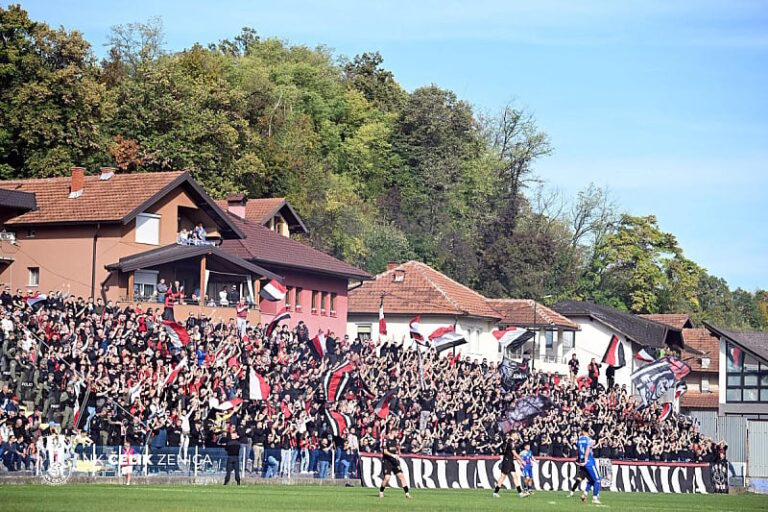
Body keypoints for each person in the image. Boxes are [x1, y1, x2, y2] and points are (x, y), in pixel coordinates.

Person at [492, 431, 529, 498]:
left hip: (509, 461)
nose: (517, 436)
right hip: (507, 461)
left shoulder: (509, 441)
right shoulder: (511, 442)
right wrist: (522, 460)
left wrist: (519, 461)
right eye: (516, 434)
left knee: (515, 476)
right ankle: (495, 492)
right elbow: (514, 453)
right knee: (503, 477)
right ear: (513, 435)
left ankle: (520, 493)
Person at [379, 429, 411, 499]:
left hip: (394, 461)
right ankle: (381, 491)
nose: (397, 434)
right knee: (387, 478)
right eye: (397, 432)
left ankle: (407, 493)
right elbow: (385, 451)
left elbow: (398, 447)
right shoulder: (386, 440)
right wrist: (393, 455)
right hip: (387, 461)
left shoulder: (396, 441)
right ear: (393, 432)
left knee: (401, 476)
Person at [577, 425, 601, 504]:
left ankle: (584, 494)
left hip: (581, 461)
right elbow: (588, 450)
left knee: (591, 480)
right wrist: (586, 460)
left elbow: (582, 450)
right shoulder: (590, 440)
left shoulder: (579, 439)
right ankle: (595, 498)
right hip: (589, 461)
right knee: (597, 479)